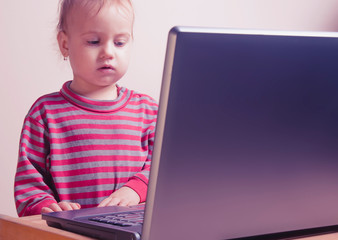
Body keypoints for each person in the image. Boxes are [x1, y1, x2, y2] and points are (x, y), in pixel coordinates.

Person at [14, 0, 158, 217]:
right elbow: (29, 181)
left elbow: (165, 170)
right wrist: (47, 208)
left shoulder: (148, 111)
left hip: (134, 230)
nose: (108, 52)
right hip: (70, 233)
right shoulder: (45, 114)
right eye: (93, 41)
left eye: (120, 42)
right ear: (65, 44)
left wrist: (135, 190)